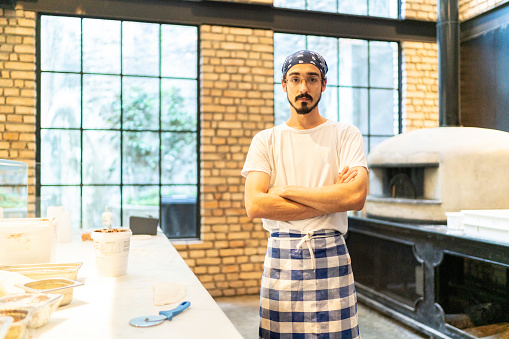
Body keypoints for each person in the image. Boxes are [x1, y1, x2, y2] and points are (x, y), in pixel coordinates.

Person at [241, 50, 368, 338]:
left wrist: (285, 191)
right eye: (295, 79)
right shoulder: (266, 140)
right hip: (282, 258)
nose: (303, 88)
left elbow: (356, 197)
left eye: (312, 79)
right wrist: (332, 197)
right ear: (283, 85)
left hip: (331, 254)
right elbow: (255, 204)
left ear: (323, 84)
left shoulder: (346, 134)